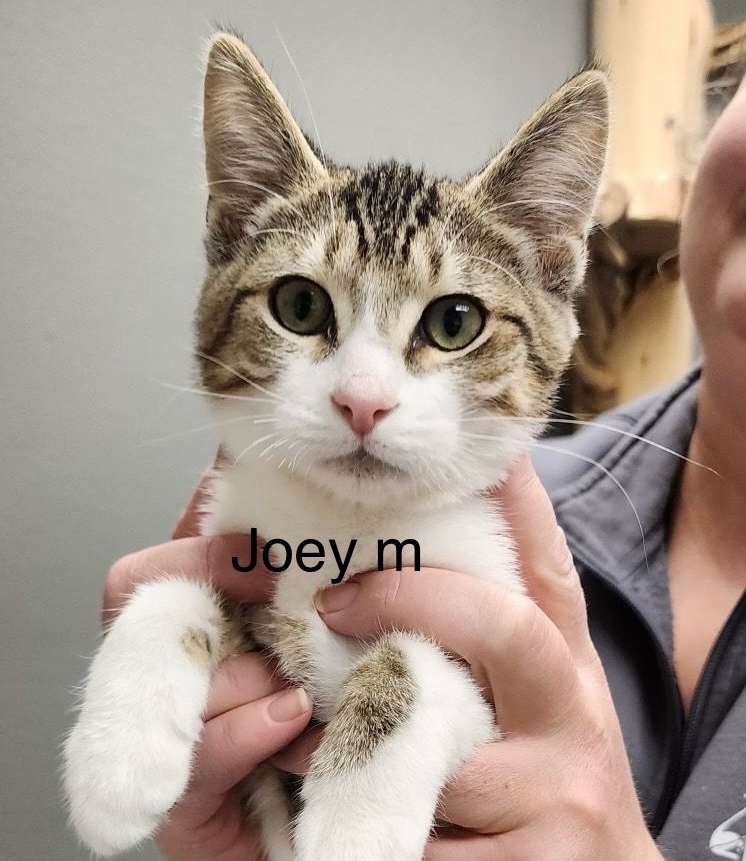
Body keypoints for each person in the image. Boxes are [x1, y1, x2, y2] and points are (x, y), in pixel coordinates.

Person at [102, 75, 746, 861]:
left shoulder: (496, 537)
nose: (364, 397)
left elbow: (442, 698)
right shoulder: (562, 497)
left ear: (551, 264)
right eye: (304, 309)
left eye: (453, 320)